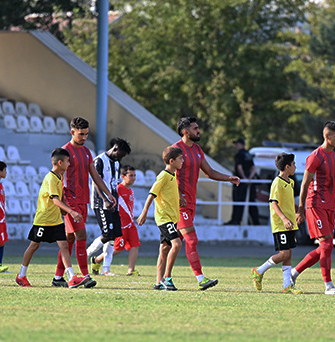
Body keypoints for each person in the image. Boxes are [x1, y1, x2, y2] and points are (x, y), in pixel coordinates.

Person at [291, 121, 335, 295]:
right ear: (326, 136)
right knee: (327, 244)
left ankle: (293, 273)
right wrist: (301, 208)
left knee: (325, 246)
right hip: (315, 205)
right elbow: (305, 183)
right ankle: (328, 286)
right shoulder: (315, 156)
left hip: (330, 206)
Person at [172, 116, 240, 290]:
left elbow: (209, 172)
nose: (198, 130)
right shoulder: (175, 150)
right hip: (179, 204)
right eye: (195, 128)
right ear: (185, 132)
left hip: (191, 202)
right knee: (191, 240)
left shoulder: (197, 149)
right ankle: (200, 278)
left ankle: (163, 279)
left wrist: (228, 178)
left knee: (170, 245)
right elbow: (168, 176)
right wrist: (178, 194)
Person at [51, 117, 116, 288]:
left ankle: (58, 277)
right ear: (72, 132)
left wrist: (108, 193)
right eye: (81, 134)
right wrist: (63, 204)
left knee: (70, 239)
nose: (84, 137)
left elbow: (95, 176)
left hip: (83, 200)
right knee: (82, 236)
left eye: (86, 134)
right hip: (70, 201)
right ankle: (85, 275)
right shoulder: (64, 152)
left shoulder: (87, 152)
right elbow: (58, 178)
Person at [16, 148, 91, 288]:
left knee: (64, 246)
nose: (69, 164)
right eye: (68, 162)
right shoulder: (50, 178)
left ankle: (71, 277)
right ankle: (21, 275)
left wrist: (63, 212)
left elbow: (60, 197)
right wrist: (71, 212)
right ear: (60, 162)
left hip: (56, 220)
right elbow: (56, 200)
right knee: (34, 245)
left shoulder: (59, 177)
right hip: (44, 220)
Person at [138, 146, 185, 291]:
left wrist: (180, 196)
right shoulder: (163, 175)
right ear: (171, 161)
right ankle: (167, 278)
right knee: (176, 244)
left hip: (172, 217)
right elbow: (152, 193)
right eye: (180, 159)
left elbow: (171, 189)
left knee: (164, 249)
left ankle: (158, 283)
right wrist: (144, 212)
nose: (183, 161)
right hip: (164, 218)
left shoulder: (173, 174)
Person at [251, 152, 299, 293]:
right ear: (287, 166)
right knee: (283, 254)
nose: (295, 167)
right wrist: (284, 219)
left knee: (288, 254)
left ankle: (286, 287)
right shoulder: (277, 182)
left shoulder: (291, 182)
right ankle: (258, 271)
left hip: (290, 224)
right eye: (294, 164)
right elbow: (274, 203)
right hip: (280, 224)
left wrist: (294, 215)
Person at [88, 138, 132, 276]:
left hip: (113, 202)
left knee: (114, 236)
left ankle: (106, 269)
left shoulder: (117, 163)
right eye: (121, 154)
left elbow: (114, 183)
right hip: (101, 202)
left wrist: (114, 201)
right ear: (115, 148)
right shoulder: (99, 160)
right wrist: (105, 200)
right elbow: (96, 181)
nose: (121, 158)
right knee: (107, 234)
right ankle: (84, 256)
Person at [89, 165, 141, 276]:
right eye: (130, 175)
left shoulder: (130, 190)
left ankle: (131, 270)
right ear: (123, 176)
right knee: (117, 249)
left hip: (130, 224)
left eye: (134, 175)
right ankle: (97, 260)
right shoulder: (118, 189)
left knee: (135, 245)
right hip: (121, 224)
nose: (133, 178)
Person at [226, 138, 260, 225]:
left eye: (237, 144)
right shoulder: (248, 154)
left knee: (238, 200)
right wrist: (249, 178)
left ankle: (236, 220)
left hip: (240, 182)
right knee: (251, 202)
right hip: (249, 183)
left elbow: (239, 167)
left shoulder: (240, 155)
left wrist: (244, 178)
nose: (235, 146)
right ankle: (256, 222)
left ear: (241, 144)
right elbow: (253, 168)